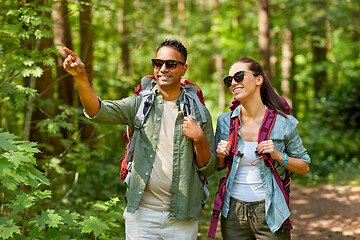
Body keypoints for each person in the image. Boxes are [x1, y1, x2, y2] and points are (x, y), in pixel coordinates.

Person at [63, 39, 217, 240]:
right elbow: (97, 111)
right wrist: (81, 77)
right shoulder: (139, 104)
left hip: (183, 215)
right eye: (157, 63)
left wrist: (199, 140)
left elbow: (209, 168)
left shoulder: (199, 112)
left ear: (183, 69)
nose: (163, 69)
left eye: (171, 64)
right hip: (142, 213)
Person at [215, 57, 311, 239]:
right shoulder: (224, 121)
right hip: (233, 213)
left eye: (239, 76)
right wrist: (221, 155)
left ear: (259, 80)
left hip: (271, 211)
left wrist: (278, 155)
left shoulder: (284, 123)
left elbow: (304, 166)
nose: (233, 83)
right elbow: (219, 166)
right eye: (229, 80)